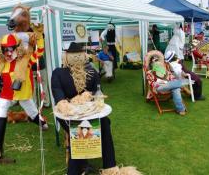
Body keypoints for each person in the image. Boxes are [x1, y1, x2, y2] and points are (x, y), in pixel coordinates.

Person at [51, 42, 141, 175]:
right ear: (67, 56)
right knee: (79, 128)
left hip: (91, 113)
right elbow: (59, 97)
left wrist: (88, 96)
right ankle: (77, 168)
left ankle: (110, 168)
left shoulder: (91, 71)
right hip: (69, 116)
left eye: (78, 55)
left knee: (104, 123)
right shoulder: (58, 73)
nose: (76, 58)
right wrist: (72, 105)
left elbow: (99, 93)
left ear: (83, 55)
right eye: (73, 55)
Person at [0, 25, 48, 164]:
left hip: (23, 94)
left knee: (33, 114)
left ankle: (42, 123)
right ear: (1, 50)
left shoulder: (26, 60)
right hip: (6, 94)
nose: (8, 53)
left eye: (11, 49)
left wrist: (38, 37)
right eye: (5, 49)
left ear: (18, 48)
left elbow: (39, 53)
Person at [146, 51, 188, 115]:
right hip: (160, 87)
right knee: (176, 86)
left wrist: (171, 82)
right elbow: (151, 83)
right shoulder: (149, 73)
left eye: (157, 60)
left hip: (170, 86)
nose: (156, 62)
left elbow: (172, 78)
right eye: (154, 61)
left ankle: (180, 109)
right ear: (151, 64)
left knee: (175, 89)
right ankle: (180, 85)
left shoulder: (166, 71)